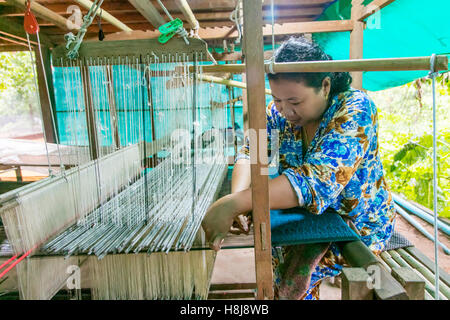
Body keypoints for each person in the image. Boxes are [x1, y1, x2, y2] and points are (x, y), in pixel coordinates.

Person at [201, 37, 396, 300]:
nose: (285, 110)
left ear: (325, 85)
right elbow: (253, 153)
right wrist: (237, 200)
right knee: (278, 266)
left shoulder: (355, 109)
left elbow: (318, 179)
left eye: (295, 101)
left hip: (355, 224)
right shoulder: (276, 113)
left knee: (291, 282)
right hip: (304, 216)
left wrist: (234, 203)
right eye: (278, 99)